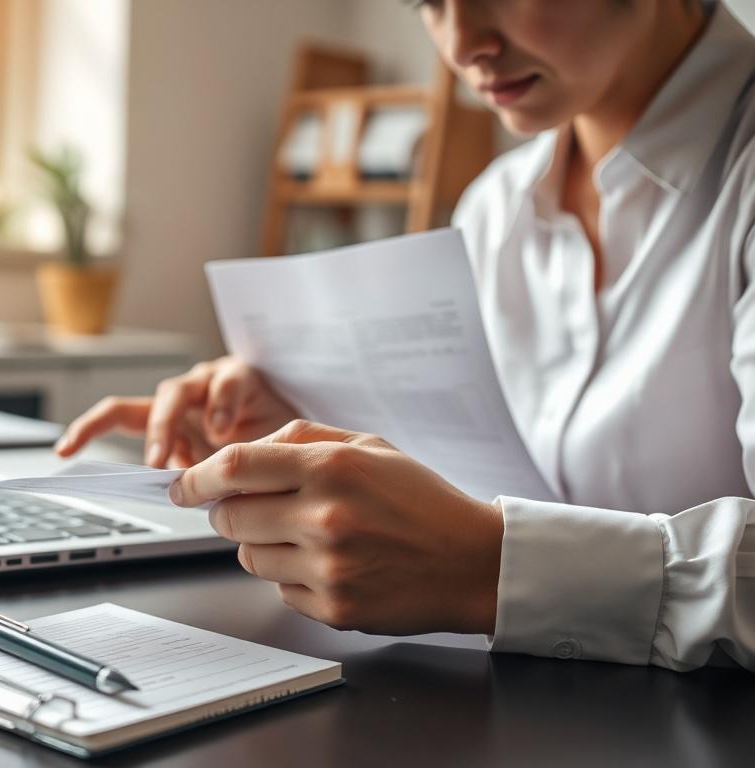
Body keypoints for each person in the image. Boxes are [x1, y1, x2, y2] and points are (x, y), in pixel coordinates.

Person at [56, 0, 755, 671]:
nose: (459, 44)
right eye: (427, 0)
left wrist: (496, 568)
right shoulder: (497, 205)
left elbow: (500, 540)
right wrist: (297, 418)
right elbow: (492, 467)